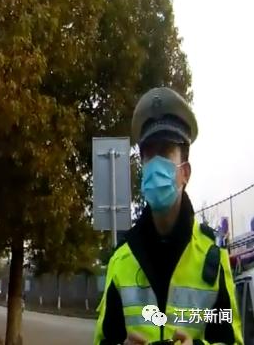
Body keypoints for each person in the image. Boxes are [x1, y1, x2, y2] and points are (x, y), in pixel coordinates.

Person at [94, 87, 244, 345]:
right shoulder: (121, 260)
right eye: (148, 154)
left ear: (185, 173)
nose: (155, 164)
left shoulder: (213, 257)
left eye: (165, 152)